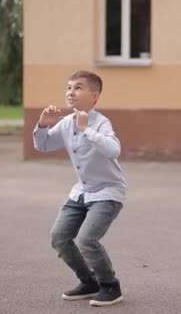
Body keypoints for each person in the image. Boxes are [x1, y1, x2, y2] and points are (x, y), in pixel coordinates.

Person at [33, 70, 127, 307]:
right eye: (68, 87)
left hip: (107, 191)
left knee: (86, 239)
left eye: (78, 87)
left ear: (95, 95)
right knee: (60, 237)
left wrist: (87, 129)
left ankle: (110, 286)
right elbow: (42, 145)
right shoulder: (66, 123)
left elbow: (114, 150)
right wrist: (43, 124)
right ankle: (89, 282)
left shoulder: (101, 123)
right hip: (81, 192)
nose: (71, 92)